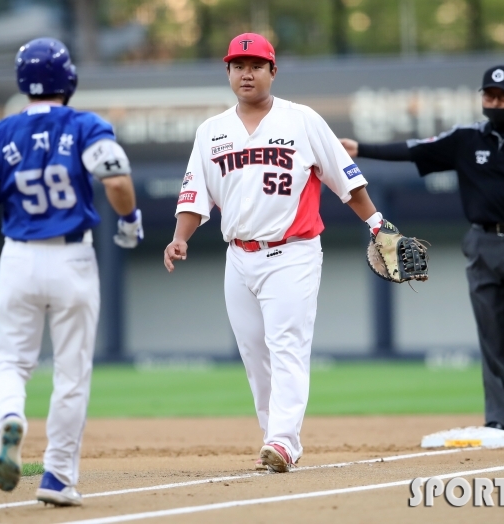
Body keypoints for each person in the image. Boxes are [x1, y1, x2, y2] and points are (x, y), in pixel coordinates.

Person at [164, 33, 385, 472]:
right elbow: (195, 194)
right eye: (237, 65)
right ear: (227, 72)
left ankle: (283, 441)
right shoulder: (211, 131)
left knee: (286, 345)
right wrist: (180, 236)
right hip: (238, 257)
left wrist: (378, 225)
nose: (246, 73)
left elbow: (346, 180)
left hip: (293, 252)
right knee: (254, 354)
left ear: (272, 71)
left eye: (256, 65)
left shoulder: (301, 120)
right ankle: (275, 439)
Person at [341, 65, 504, 441]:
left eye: (502, 96)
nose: (494, 102)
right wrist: (361, 149)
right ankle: (501, 421)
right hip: (481, 244)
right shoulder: (465, 138)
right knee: (491, 335)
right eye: (488, 95)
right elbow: (415, 150)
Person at [0, 38, 143, 505]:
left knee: (10, 364)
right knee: (72, 373)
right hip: (72, 259)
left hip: (19, 256)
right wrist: (128, 221)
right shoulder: (85, 125)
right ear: (70, 79)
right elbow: (117, 179)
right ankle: (58, 477)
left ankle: (8, 419)